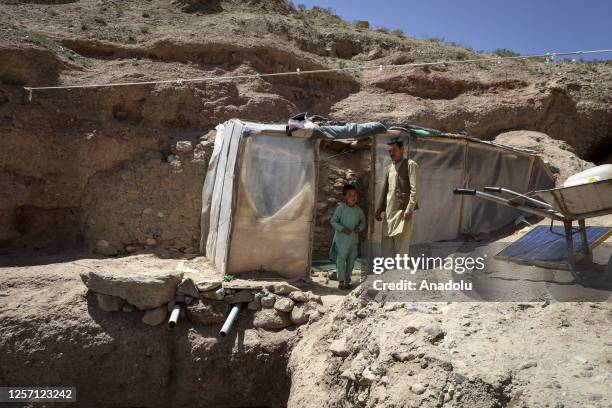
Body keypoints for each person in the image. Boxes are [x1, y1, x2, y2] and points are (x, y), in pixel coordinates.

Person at [375, 137, 418, 258]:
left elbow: (415, 189)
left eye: (394, 150)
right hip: (389, 214)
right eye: (389, 151)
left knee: (401, 250)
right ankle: (388, 276)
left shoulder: (411, 165)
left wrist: (410, 208)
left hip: (402, 212)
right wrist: (379, 209)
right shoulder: (390, 168)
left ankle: (400, 276)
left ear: (402, 149)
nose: (391, 153)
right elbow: (386, 191)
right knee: (386, 250)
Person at [330, 184, 367, 289]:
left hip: (353, 241)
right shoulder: (341, 208)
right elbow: (333, 221)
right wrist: (342, 228)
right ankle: (341, 281)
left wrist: (359, 228)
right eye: (350, 194)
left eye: (355, 194)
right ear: (344, 197)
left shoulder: (358, 211)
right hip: (341, 241)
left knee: (351, 260)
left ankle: (347, 281)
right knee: (341, 260)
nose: (353, 197)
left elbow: (363, 222)